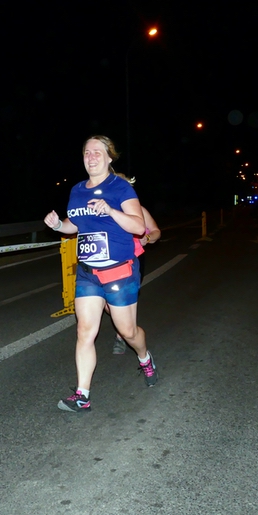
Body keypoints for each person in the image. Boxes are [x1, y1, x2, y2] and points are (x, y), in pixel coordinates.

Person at [43, 135, 158, 413]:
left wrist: (110, 210)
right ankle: (82, 395)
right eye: (87, 152)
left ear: (109, 158)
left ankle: (144, 357)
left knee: (127, 331)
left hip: (119, 272)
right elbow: (75, 225)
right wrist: (58, 225)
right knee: (85, 330)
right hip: (88, 273)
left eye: (97, 152)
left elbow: (138, 226)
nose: (91, 157)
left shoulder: (120, 188)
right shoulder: (77, 190)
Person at [109, 177, 160, 355]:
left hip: (133, 261)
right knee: (107, 303)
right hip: (108, 264)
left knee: (123, 299)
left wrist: (148, 238)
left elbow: (156, 232)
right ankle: (125, 327)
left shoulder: (139, 211)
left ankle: (121, 336)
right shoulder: (104, 210)